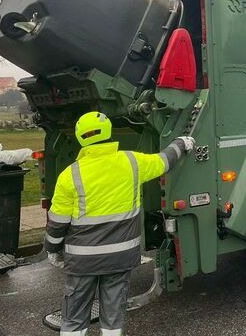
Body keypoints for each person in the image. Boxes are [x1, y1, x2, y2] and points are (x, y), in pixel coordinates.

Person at [45, 111, 195, 336]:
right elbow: (164, 161)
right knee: (113, 311)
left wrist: (53, 250)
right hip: (120, 256)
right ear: (107, 131)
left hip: (82, 260)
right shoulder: (131, 162)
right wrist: (181, 143)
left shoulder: (70, 175)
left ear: (80, 137)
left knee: (74, 315)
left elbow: (57, 223)